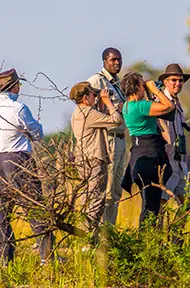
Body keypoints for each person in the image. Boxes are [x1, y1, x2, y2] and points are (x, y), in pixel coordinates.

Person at [0, 69, 53, 266]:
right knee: (34, 206)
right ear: (14, 86)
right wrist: (30, 131)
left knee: (2, 210)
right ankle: (46, 256)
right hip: (17, 158)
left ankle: (5, 258)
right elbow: (37, 133)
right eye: (18, 85)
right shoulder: (19, 108)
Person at [119, 72, 175, 226]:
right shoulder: (140, 106)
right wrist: (155, 90)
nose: (144, 87)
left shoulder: (127, 106)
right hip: (149, 153)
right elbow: (169, 106)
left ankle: (147, 240)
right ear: (136, 87)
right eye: (142, 85)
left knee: (148, 202)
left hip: (138, 153)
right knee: (151, 205)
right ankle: (146, 241)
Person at [69, 81, 122, 236]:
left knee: (87, 198)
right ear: (85, 98)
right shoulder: (89, 114)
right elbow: (116, 120)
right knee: (97, 200)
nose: (95, 97)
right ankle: (88, 236)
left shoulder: (77, 112)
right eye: (93, 95)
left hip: (83, 158)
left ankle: (86, 234)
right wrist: (109, 103)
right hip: (94, 159)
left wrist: (100, 104)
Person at [87, 47, 128, 226]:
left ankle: (109, 233)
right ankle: (97, 234)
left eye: (119, 59)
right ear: (104, 62)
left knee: (116, 191)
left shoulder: (118, 83)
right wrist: (109, 107)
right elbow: (85, 108)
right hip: (107, 140)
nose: (117, 63)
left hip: (120, 139)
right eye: (113, 60)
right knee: (106, 191)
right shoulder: (97, 81)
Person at [156, 63, 190, 204]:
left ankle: (173, 228)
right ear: (165, 82)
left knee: (186, 205)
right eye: (174, 80)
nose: (178, 83)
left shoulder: (178, 103)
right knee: (161, 204)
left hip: (179, 162)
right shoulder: (159, 102)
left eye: (180, 80)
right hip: (166, 162)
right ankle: (158, 227)